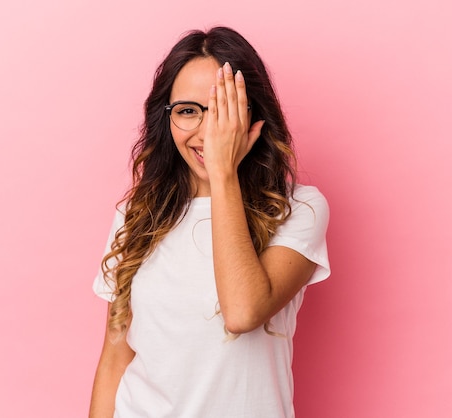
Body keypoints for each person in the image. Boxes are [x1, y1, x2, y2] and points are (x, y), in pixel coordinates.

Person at [89, 26, 330, 418]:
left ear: (254, 114)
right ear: (166, 119)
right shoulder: (136, 216)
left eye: (223, 110)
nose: (208, 132)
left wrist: (223, 173)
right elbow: (115, 359)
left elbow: (242, 313)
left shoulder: (300, 209)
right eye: (188, 111)